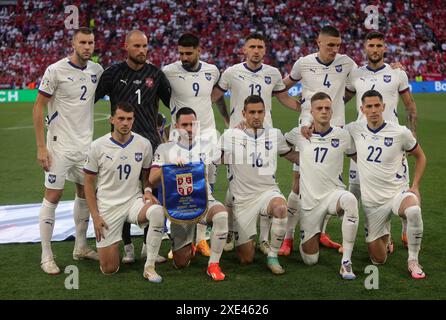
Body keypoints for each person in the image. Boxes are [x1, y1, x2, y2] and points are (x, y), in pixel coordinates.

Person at [211, 33, 300, 255]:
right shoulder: (231, 72)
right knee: (236, 185)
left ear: (265, 50)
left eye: (260, 46)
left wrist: (306, 109)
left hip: (266, 138)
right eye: (252, 46)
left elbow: (284, 98)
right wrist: (223, 117)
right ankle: (232, 230)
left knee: (264, 184)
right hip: (238, 137)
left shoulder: (273, 73)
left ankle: (263, 239)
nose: (257, 50)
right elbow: (214, 96)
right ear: (244, 49)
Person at [280, 26, 358, 255]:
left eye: (338, 45)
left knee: (331, 182)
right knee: (298, 181)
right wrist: (299, 106)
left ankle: (320, 232)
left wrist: (339, 102)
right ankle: (288, 236)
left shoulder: (347, 63)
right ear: (318, 43)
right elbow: (280, 87)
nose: (335, 49)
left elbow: (358, 86)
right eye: (330, 45)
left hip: (336, 131)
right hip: (308, 131)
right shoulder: (303, 63)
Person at [95, 29, 171, 264]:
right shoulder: (112, 74)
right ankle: (127, 245)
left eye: (145, 46)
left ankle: (149, 247)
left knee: (152, 193)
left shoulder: (156, 74)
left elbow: (173, 104)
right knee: (123, 192)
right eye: (136, 46)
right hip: (121, 145)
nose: (141, 51)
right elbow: (89, 100)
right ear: (125, 47)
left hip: (150, 143)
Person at [33, 27, 103, 274]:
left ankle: (81, 246)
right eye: (82, 42)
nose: (87, 47)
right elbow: (39, 107)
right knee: (53, 195)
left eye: (91, 43)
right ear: (73, 43)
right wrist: (42, 147)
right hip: (59, 146)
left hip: (85, 145)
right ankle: (46, 255)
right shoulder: (55, 70)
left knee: (85, 192)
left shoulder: (97, 71)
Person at [345, 31, 418, 248]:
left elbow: (410, 105)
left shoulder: (397, 74)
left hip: (393, 143)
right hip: (363, 141)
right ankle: (371, 237)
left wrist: (412, 135)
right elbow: (340, 101)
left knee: (399, 190)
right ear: (365, 48)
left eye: (379, 45)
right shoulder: (355, 74)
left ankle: (404, 229)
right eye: (371, 45)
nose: (375, 49)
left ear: (385, 48)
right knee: (356, 190)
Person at [345, 90, 426, 279]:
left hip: (397, 195)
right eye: (369, 106)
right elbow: (329, 129)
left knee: (413, 210)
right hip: (373, 205)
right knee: (378, 260)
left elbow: (421, 157)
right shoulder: (354, 129)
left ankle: (413, 261)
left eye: (376, 106)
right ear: (362, 109)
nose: (373, 110)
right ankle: (386, 236)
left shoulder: (400, 132)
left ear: (383, 106)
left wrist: (414, 186)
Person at [162, 33, 229, 257]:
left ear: (199, 50)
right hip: (181, 137)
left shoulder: (212, 70)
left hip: (208, 134)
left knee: (207, 186)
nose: (184, 57)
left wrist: (227, 120)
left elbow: (217, 97)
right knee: (180, 186)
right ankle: (182, 237)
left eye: (188, 53)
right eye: (180, 52)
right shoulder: (169, 72)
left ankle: (201, 238)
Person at [83, 102, 165, 283]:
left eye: (129, 119)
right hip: (108, 206)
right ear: (112, 120)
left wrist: (148, 191)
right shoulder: (97, 146)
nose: (125, 123)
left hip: (133, 201)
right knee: (109, 268)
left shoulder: (143, 144)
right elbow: (88, 184)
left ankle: (149, 267)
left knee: (157, 211)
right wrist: (95, 216)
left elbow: (146, 177)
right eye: (121, 118)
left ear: (133, 120)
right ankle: (115, 243)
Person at [218, 95, 299, 275]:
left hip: (267, 192)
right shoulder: (231, 135)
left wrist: (312, 160)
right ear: (243, 114)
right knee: (246, 259)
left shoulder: (274, 134)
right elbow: (217, 159)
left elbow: (290, 155)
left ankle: (273, 255)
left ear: (265, 113)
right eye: (252, 112)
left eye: (260, 112)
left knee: (280, 209)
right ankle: (247, 236)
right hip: (243, 199)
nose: (256, 116)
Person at [147, 107, 229, 281]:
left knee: (221, 215)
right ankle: (187, 245)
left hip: (204, 202)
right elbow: (152, 179)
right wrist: (168, 166)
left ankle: (213, 264)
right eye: (185, 125)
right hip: (179, 207)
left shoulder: (208, 146)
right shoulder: (165, 149)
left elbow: (229, 157)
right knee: (181, 263)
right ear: (176, 126)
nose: (189, 129)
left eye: (193, 124)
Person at [284, 92, 359, 279]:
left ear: (332, 111)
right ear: (312, 112)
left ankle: (346, 262)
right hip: (310, 204)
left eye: (327, 108)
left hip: (334, 195)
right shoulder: (299, 134)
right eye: (319, 108)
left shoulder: (342, 135)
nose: (324, 112)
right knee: (310, 260)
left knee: (350, 200)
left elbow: (357, 156)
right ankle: (314, 233)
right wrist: (301, 159)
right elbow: (280, 146)